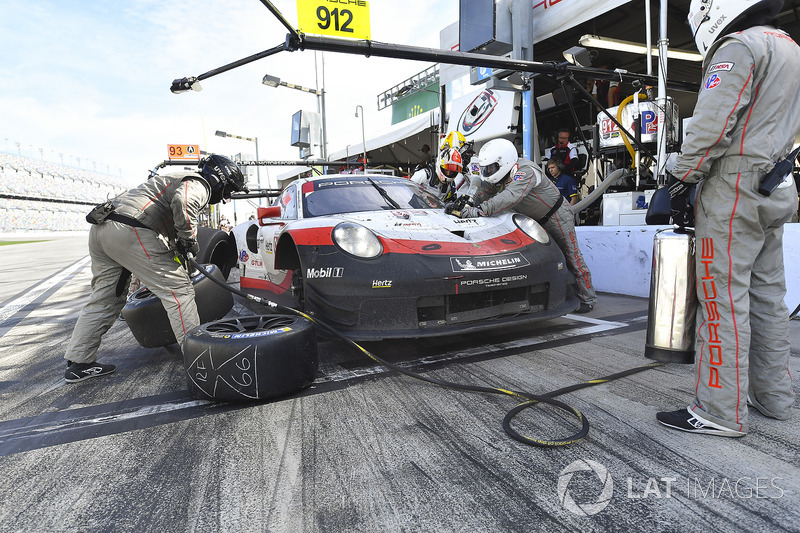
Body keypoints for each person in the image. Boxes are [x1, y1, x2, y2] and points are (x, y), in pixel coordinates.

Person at [657, 0, 799, 436]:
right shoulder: (790, 46)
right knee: (767, 298)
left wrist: (678, 178)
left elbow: (713, 125)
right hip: (778, 185)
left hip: (735, 188)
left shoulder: (739, 46)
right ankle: (774, 398)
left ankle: (718, 411)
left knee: (722, 300)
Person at [63, 155, 248, 383]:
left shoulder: (169, 180)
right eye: (228, 191)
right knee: (179, 293)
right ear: (220, 180)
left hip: (103, 229)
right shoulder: (200, 182)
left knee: (106, 299)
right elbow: (184, 202)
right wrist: (189, 240)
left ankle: (78, 362)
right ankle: (200, 359)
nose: (226, 198)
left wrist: (182, 251)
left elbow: (168, 226)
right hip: (131, 229)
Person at [452, 138, 597, 313]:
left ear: (504, 162)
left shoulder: (525, 171)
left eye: (491, 168)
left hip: (556, 216)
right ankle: (558, 295)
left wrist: (479, 210)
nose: (488, 172)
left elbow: (511, 196)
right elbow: (484, 190)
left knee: (572, 257)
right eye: (486, 169)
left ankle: (588, 299)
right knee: (543, 260)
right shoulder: (503, 174)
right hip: (533, 222)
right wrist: (465, 202)